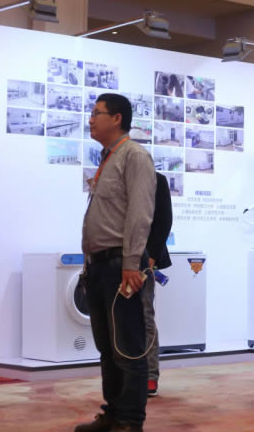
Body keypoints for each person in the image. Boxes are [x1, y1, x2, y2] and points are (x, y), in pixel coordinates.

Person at [77, 93, 156, 432]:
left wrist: (130, 263)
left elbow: (140, 214)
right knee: (107, 348)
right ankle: (113, 413)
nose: (91, 119)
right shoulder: (108, 156)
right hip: (98, 266)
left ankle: (130, 420)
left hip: (119, 266)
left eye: (97, 113)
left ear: (117, 118)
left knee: (128, 347)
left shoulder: (134, 155)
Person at [144, 172, 174, 398]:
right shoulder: (114, 176)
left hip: (143, 258)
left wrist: (152, 257)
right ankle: (126, 376)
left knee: (144, 316)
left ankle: (149, 375)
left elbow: (164, 220)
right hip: (114, 257)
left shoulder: (156, 179)